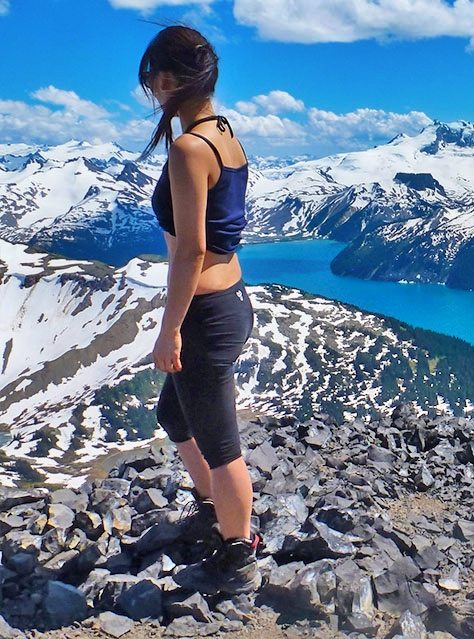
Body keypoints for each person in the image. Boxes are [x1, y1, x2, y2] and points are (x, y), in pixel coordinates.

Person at [137, 23, 261, 595]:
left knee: (220, 443)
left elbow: (191, 250)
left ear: (166, 79)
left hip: (205, 313)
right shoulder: (223, 135)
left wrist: (170, 330)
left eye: (151, 84)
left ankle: (239, 555)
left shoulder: (190, 148)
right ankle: (216, 508)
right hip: (229, 300)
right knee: (175, 417)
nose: (151, 94)